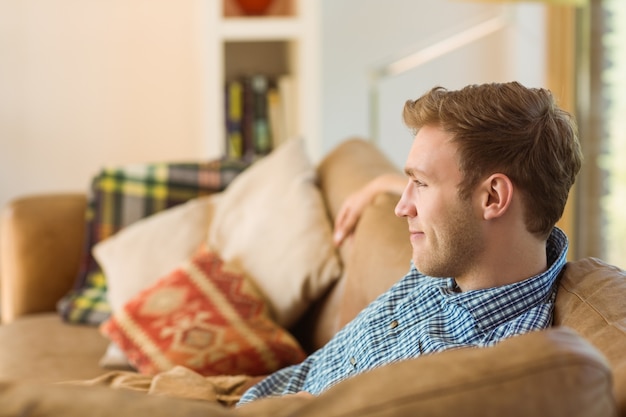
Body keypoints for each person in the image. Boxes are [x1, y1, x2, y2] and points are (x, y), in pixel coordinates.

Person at [237, 81, 583, 405]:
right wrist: (387, 183)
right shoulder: (455, 261)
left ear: (493, 198)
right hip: (252, 396)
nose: (402, 208)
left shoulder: (480, 373)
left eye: (421, 184)